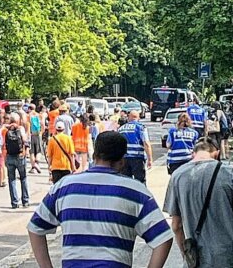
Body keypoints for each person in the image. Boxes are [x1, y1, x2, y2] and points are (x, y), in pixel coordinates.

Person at [28, 131, 173, 268]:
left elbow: (35, 228)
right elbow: (163, 239)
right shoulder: (136, 191)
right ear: (122, 161)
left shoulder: (64, 187)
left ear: (94, 155)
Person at [164, 137, 233, 267]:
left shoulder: (177, 176)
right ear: (217, 153)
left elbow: (176, 225)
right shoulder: (228, 174)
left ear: (193, 153)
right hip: (226, 257)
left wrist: (186, 256)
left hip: (197, 259)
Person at [118, 110, 152, 185]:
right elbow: (146, 143)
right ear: (138, 117)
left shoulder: (121, 129)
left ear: (129, 118)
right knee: (140, 181)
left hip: (124, 159)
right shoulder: (140, 127)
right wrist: (150, 159)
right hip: (137, 158)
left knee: (126, 182)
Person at [5, 114, 29, 209]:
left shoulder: (7, 130)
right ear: (18, 120)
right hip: (20, 156)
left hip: (10, 156)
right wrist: (25, 151)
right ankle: (25, 201)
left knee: (11, 180)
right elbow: (25, 140)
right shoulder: (20, 129)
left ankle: (14, 202)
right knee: (23, 178)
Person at [27, 104, 44, 174]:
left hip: (31, 134)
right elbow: (42, 125)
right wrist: (41, 133)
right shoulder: (39, 115)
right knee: (39, 151)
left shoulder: (28, 116)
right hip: (38, 134)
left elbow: (27, 126)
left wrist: (28, 134)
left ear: (29, 109)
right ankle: (37, 163)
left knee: (32, 152)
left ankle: (33, 167)